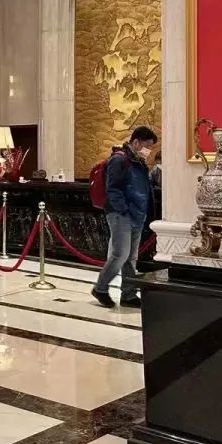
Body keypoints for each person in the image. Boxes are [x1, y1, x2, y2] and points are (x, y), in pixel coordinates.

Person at [93, 125, 158, 309]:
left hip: (137, 214)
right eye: (147, 146)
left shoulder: (139, 162)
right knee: (120, 254)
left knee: (131, 257)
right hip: (121, 214)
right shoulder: (119, 159)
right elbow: (113, 188)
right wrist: (123, 210)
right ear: (136, 142)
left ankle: (128, 294)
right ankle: (100, 288)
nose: (148, 150)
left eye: (151, 147)